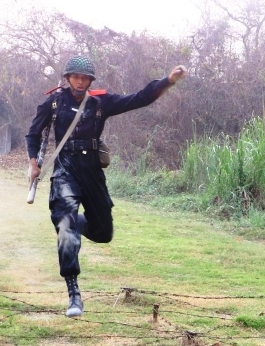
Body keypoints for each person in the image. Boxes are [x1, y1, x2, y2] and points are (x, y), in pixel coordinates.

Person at [26, 55, 186, 317]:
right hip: (65, 169)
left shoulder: (101, 102)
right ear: (68, 78)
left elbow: (139, 98)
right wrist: (34, 164)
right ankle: (73, 293)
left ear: (90, 81)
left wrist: (167, 81)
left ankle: (76, 224)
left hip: (92, 171)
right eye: (76, 77)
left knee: (103, 233)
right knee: (65, 225)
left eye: (85, 78)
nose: (80, 81)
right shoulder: (53, 102)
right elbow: (33, 133)